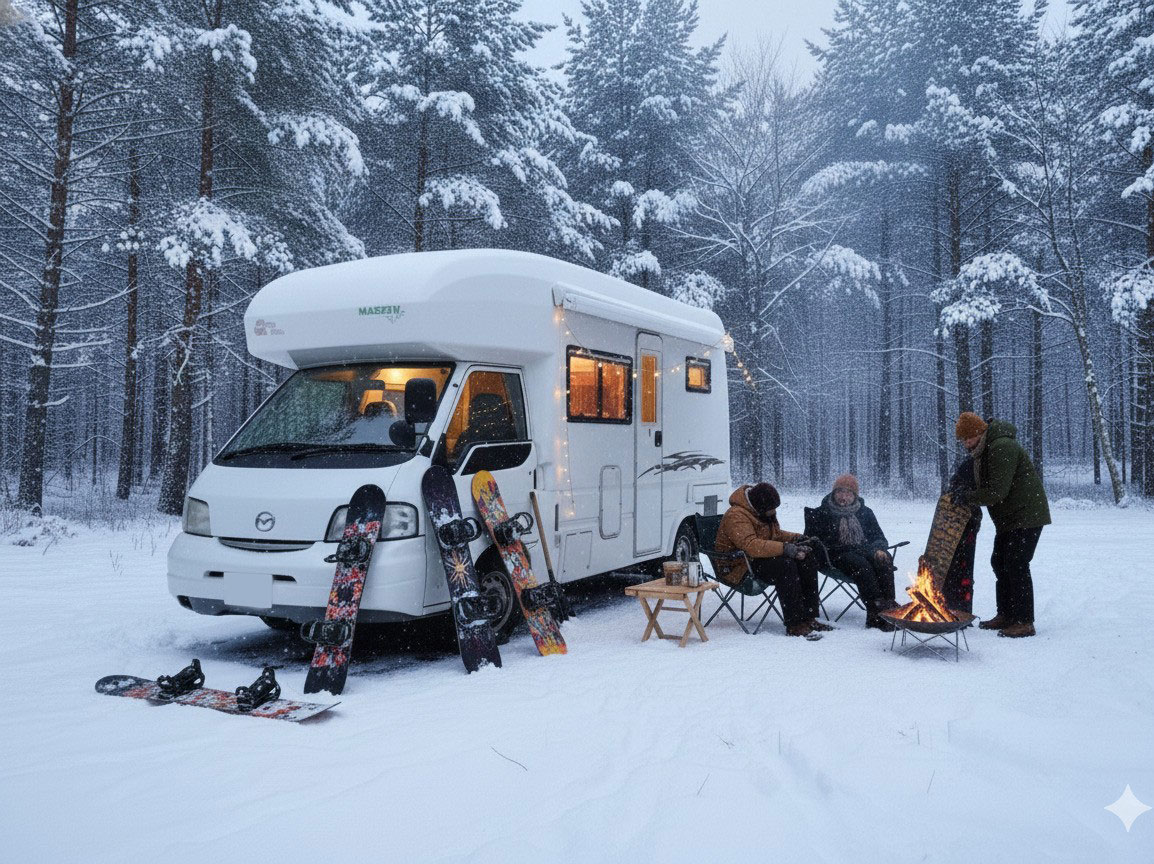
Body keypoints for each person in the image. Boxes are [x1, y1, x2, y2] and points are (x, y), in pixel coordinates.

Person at [951, 412, 1051, 638]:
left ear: (978, 432)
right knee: (999, 561)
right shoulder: (983, 451)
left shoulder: (1001, 447)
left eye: (968, 438)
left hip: (1026, 514)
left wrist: (968, 497)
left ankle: (1024, 621)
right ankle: (1006, 614)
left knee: (1016, 563)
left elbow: (997, 492)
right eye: (962, 440)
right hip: (1010, 518)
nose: (966, 444)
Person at [714, 482, 829, 638]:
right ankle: (794, 624)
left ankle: (809, 617)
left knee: (806, 560)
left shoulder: (760, 511)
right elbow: (751, 545)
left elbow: (775, 534)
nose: (774, 512)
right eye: (771, 509)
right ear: (759, 506)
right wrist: (785, 548)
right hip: (739, 566)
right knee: (785, 565)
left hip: (756, 560)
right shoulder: (736, 515)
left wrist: (797, 538)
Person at [807, 474, 899, 631]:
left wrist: (878, 549)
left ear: (855, 495)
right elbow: (813, 541)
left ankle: (890, 608)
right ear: (833, 493)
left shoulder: (865, 512)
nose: (843, 497)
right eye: (840, 492)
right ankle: (875, 613)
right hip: (834, 556)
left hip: (865, 550)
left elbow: (878, 536)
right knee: (862, 565)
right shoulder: (821, 513)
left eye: (848, 493)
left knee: (884, 559)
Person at [942, 454, 981, 613]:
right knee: (953, 568)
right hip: (955, 521)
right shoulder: (971, 463)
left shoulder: (979, 461)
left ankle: (960, 609)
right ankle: (952, 607)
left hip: (966, 522)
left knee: (961, 569)